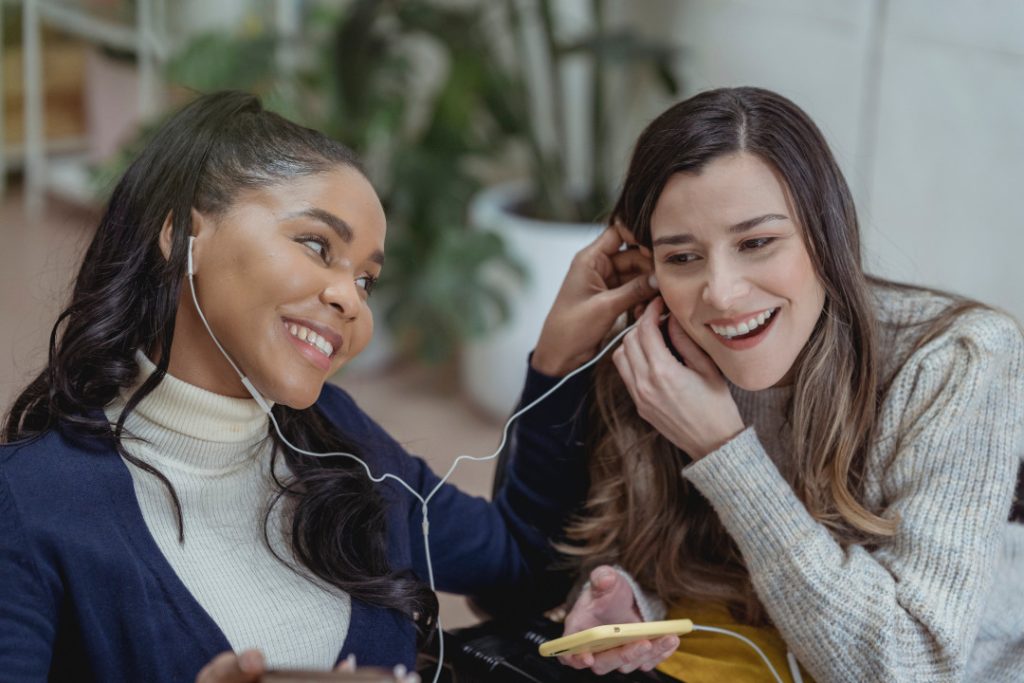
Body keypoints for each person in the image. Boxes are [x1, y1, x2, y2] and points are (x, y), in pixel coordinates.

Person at [0, 91, 656, 683]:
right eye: (317, 246)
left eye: (367, 279)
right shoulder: (30, 501)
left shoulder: (341, 447)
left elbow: (517, 563)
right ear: (183, 238)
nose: (350, 300)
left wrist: (560, 358)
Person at [522, 87, 1024, 682]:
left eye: (757, 243)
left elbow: (905, 667)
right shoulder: (658, 353)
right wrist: (630, 597)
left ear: (825, 234)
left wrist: (723, 452)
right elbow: (546, 567)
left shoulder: (958, 359)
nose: (722, 294)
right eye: (683, 258)